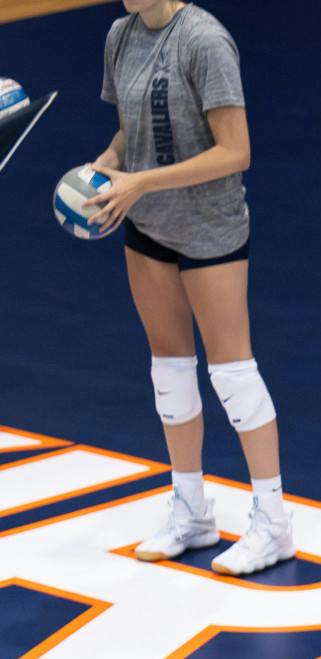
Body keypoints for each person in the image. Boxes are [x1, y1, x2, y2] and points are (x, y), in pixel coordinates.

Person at [91, 0, 292, 575]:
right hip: (148, 223)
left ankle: (274, 522)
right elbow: (131, 131)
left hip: (209, 229)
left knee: (232, 373)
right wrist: (102, 171)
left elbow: (237, 151)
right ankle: (191, 510)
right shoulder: (120, 35)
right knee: (169, 370)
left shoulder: (205, 41)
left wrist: (141, 182)